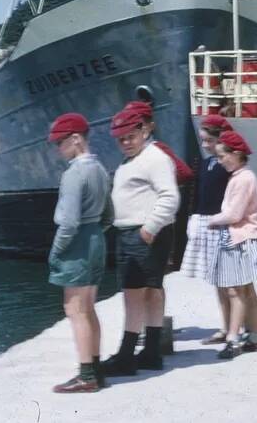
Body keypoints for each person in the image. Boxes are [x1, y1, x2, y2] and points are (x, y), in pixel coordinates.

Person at [102, 105, 180, 376]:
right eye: (120, 139)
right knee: (134, 292)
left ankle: (139, 354)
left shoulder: (154, 158)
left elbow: (170, 197)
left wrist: (150, 228)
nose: (125, 143)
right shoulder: (131, 161)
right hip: (127, 233)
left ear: (144, 130)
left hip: (144, 234)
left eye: (130, 137)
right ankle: (142, 353)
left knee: (146, 291)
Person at [46, 112, 113, 393]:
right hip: (96, 237)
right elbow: (109, 215)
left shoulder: (74, 173)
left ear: (76, 139)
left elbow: (70, 221)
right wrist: (95, 234)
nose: (58, 149)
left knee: (74, 309)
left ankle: (86, 375)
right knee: (88, 309)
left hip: (77, 243)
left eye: (61, 142)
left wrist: (55, 252)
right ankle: (95, 367)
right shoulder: (99, 169)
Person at [208, 130, 257, 359]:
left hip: (242, 238)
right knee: (248, 291)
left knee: (235, 291)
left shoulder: (242, 179)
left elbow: (234, 214)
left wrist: (212, 220)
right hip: (250, 237)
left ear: (236, 154)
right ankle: (256, 337)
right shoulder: (243, 177)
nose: (219, 161)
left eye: (222, 156)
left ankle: (232, 339)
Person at [179, 114, 234, 345]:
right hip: (205, 222)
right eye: (203, 141)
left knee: (227, 280)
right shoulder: (206, 163)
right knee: (217, 281)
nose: (204, 145)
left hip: (220, 222)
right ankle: (226, 325)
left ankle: (232, 327)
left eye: (208, 141)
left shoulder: (226, 165)